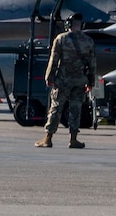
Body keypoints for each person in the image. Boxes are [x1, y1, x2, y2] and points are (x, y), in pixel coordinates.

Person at [39, 11, 99, 149]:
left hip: (63, 81)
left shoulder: (61, 39)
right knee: (76, 109)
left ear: (68, 24)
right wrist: (91, 82)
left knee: (56, 108)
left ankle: (48, 138)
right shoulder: (89, 41)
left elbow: (54, 60)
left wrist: (49, 77)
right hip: (80, 81)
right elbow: (92, 64)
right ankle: (73, 139)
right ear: (81, 25)